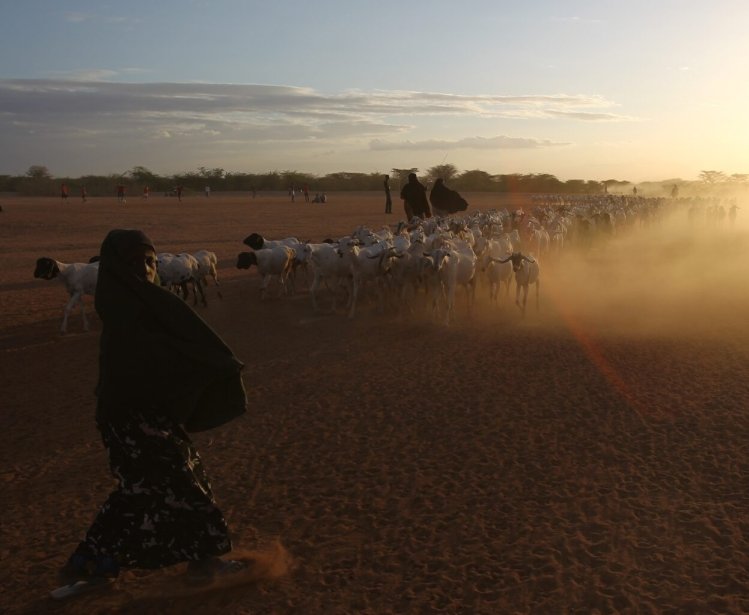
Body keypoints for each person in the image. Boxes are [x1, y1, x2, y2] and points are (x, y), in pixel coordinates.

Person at [52, 229, 248, 599]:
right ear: (116, 268)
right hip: (132, 416)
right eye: (135, 262)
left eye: (150, 261)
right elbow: (158, 356)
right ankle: (204, 564)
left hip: (145, 414)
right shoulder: (128, 307)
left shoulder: (140, 301)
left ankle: (91, 565)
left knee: (138, 490)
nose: (145, 269)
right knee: (184, 484)